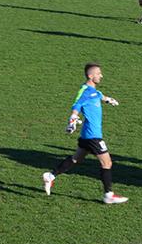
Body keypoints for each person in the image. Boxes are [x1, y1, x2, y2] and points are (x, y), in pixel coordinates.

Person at [42, 63, 128, 204]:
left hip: (87, 135)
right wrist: (73, 119)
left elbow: (99, 95)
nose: (101, 75)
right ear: (90, 76)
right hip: (92, 135)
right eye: (98, 73)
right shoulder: (85, 91)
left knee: (76, 159)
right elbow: (77, 105)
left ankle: (51, 176)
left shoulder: (94, 91)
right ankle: (108, 195)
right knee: (107, 163)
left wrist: (108, 100)